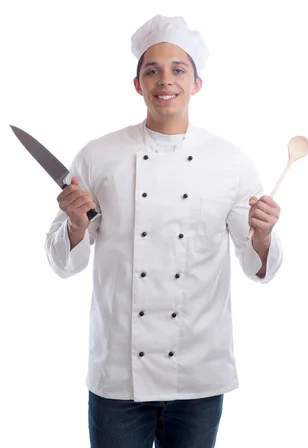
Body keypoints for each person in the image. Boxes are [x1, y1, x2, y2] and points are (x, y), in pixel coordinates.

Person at [44, 14, 283, 448]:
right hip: (118, 372)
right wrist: (77, 225)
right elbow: (62, 262)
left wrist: (263, 237)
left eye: (178, 70)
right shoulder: (98, 156)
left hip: (198, 372)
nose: (164, 80)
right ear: (137, 84)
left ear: (196, 84)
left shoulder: (231, 162)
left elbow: (257, 265)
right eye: (151, 70)